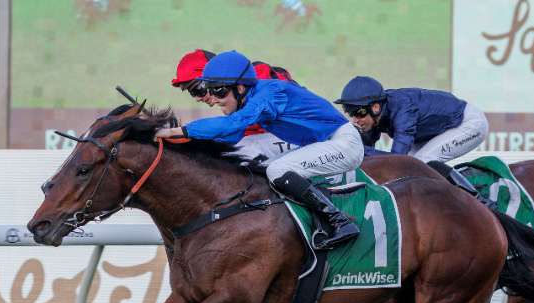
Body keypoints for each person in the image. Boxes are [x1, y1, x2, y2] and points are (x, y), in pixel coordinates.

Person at [156, 50, 363, 249]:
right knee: (264, 169)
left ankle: (339, 222)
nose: (213, 99)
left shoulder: (269, 93)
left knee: (277, 170)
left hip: (344, 144)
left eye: (219, 90)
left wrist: (179, 131)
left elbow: (234, 124)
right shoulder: (252, 97)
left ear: (240, 88)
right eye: (210, 89)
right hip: (325, 144)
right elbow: (232, 135)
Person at [334, 76, 489, 200]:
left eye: (359, 113)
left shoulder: (404, 110)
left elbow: (397, 160)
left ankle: (478, 200)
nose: (355, 120)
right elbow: (366, 158)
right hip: (435, 131)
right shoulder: (375, 115)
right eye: (350, 112)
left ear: (375, 107)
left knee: (421, 163)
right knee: (413, 171)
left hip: (469, 124)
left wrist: (361, 151)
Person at [171, 49, 299, 162]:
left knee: (244, 151)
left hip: (298, 135)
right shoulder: (232, 94)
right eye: (192, 93)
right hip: (278, 138)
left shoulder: (259, 73)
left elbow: (239, 126)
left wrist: (188, 132)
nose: (198, 98)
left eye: (198, 89)